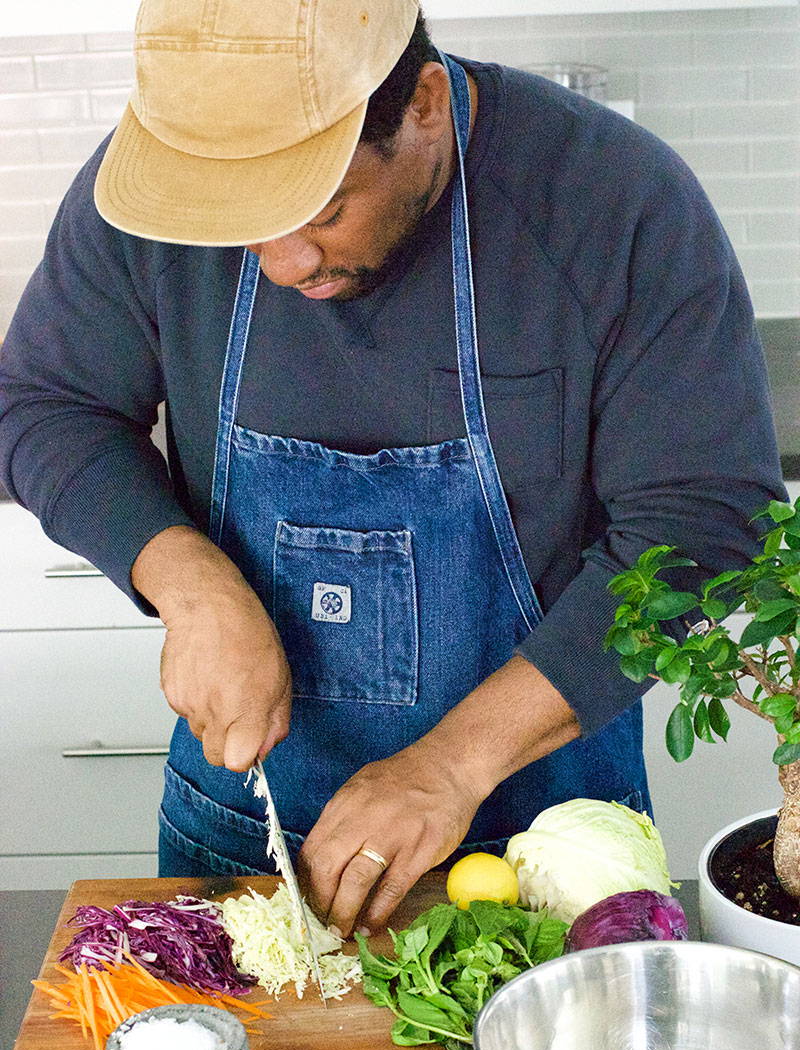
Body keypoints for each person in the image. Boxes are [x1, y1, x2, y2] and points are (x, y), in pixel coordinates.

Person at [0, 0, 785, 938]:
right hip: (246, 833)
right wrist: (185, 579)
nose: (283, 263)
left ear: (421, 105)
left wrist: (451, 764)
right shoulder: (169, 190)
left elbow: (703, 521)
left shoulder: (614, 200)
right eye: (240, 227)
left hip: (547, 850)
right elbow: (43, 404)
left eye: (320, 210)